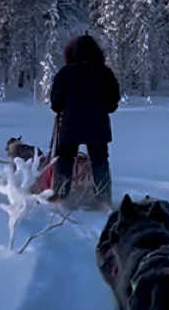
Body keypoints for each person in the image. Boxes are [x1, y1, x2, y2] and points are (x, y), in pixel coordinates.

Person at [48, 33, 121, 203]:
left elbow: (56, 102)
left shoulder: (65, 73)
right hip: (98, 125)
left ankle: (61, 196)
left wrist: (62, 109)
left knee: (65, 159)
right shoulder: (105, 73)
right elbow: (113, 101)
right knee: (100, 161)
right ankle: (103, 198)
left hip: (70, 125)